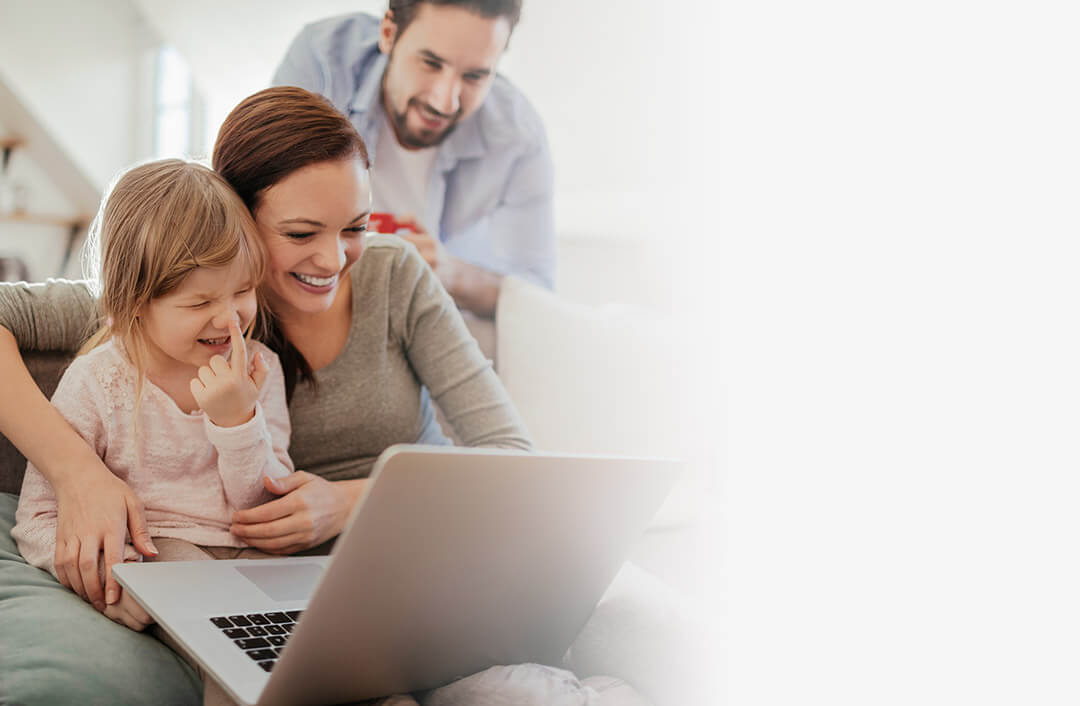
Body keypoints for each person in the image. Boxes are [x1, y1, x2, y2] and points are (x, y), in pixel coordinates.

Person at [0, 87, 647, 705]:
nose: (334, 259)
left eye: (355, 227)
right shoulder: (168, 300)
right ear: (237, 218)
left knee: (533, 682)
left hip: (413, 564)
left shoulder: (390, 279)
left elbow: (509, 454)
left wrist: (348, 503)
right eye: (302, 232)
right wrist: (76, 472)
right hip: (292, 592)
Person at [11, 159, 294, 633]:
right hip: (161, 551)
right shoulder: (99, 381)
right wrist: (113, 583)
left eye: (243, 290)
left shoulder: (258, 368)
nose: (230, 319)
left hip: (259, 555)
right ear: (133, 303)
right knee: (237, 641)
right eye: (200, 302)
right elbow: (37, 519)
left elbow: (263, 508)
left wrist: (236, 421)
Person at [273, 0, 555, 317]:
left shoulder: (517, 135)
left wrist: (451, 273)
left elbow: (538, 297)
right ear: (389, 33)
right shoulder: (322, 62)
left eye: (474, 76)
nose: (444, 101)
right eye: (431, 63)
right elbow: (260, 212)